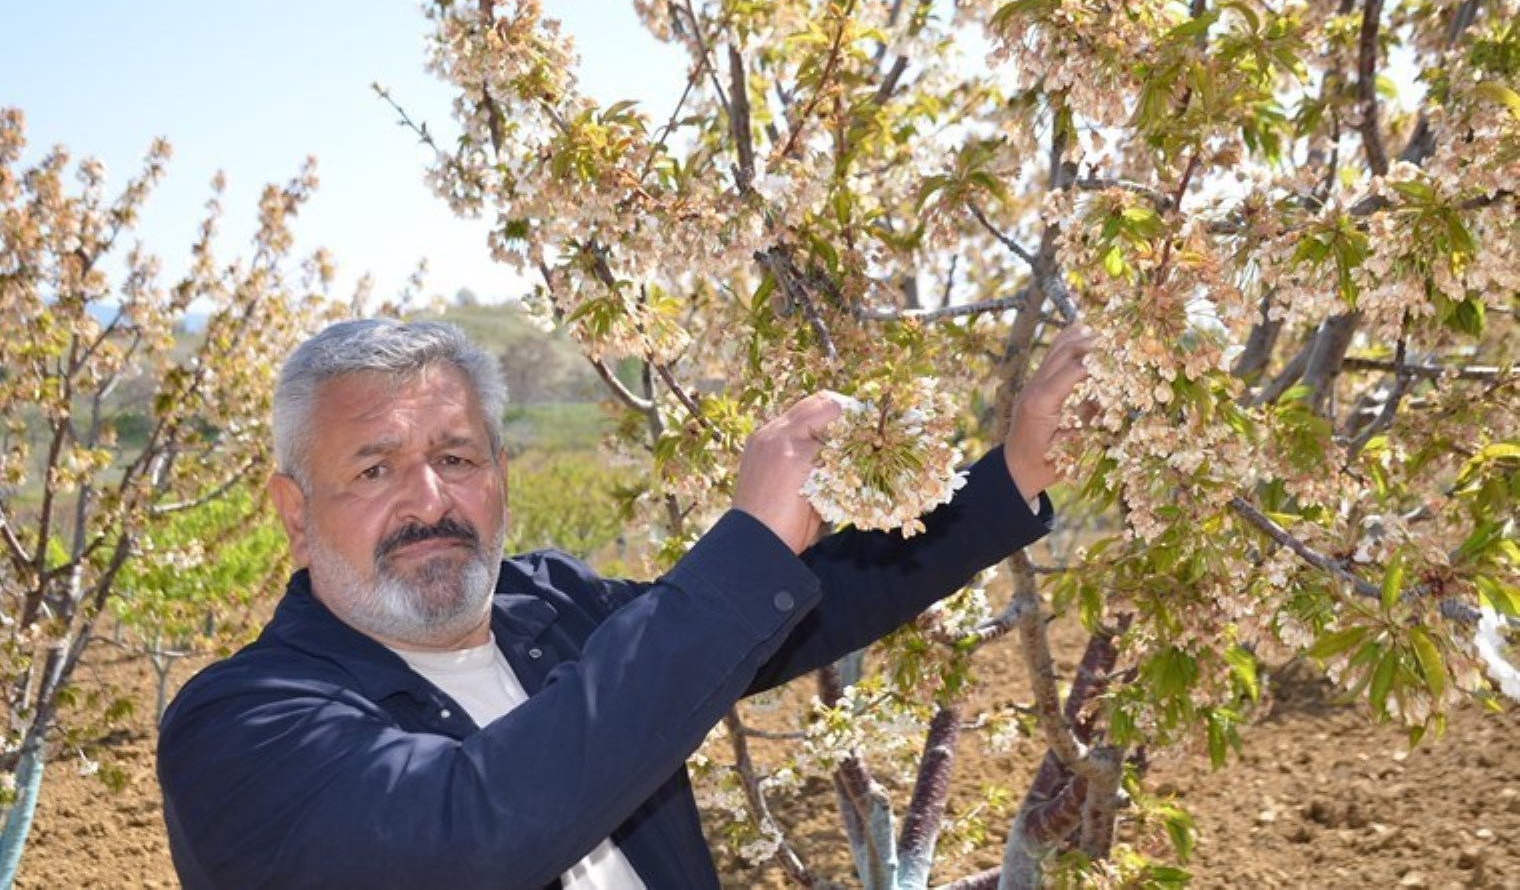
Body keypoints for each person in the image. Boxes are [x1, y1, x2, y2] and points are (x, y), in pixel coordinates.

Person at [157, 318, 1093, 889]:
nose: (431, 502)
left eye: (457, 458)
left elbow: (799, 608)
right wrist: (747, 548)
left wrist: (1010, 473)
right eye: (374, 469)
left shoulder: (552, 607)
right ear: (294, 512)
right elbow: (465, 839)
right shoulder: (239, 725)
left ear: (500, 477)